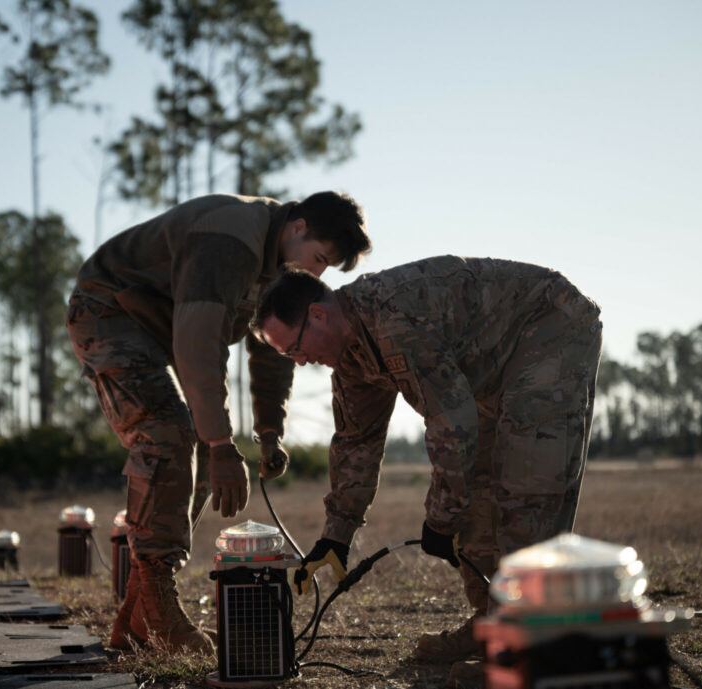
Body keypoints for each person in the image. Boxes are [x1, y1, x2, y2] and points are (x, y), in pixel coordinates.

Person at [251, 256, 602, 662]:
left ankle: (529, 646)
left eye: (295, 348)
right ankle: (495, 622)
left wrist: (440, 518)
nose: (300, 361)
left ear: (318, 315)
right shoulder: (349, 359)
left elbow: (451, 423)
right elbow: (355, 444)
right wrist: (336, 534)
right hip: (489, 371)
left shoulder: (394, 319)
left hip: (549, 325)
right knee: (476, 493)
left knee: (527, 492)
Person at [66, 192, 371, 654]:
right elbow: (198, 342)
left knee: (204, 456)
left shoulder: (280, 268)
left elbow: (274, 345)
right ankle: (158, 607)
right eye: (319, 258)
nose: (317, 274)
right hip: (108, 311)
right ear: (297, 227)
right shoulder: (231, 237)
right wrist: (224, 444)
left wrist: (268, 431)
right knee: (168, 433)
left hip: (158, 330)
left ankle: (138, 618)